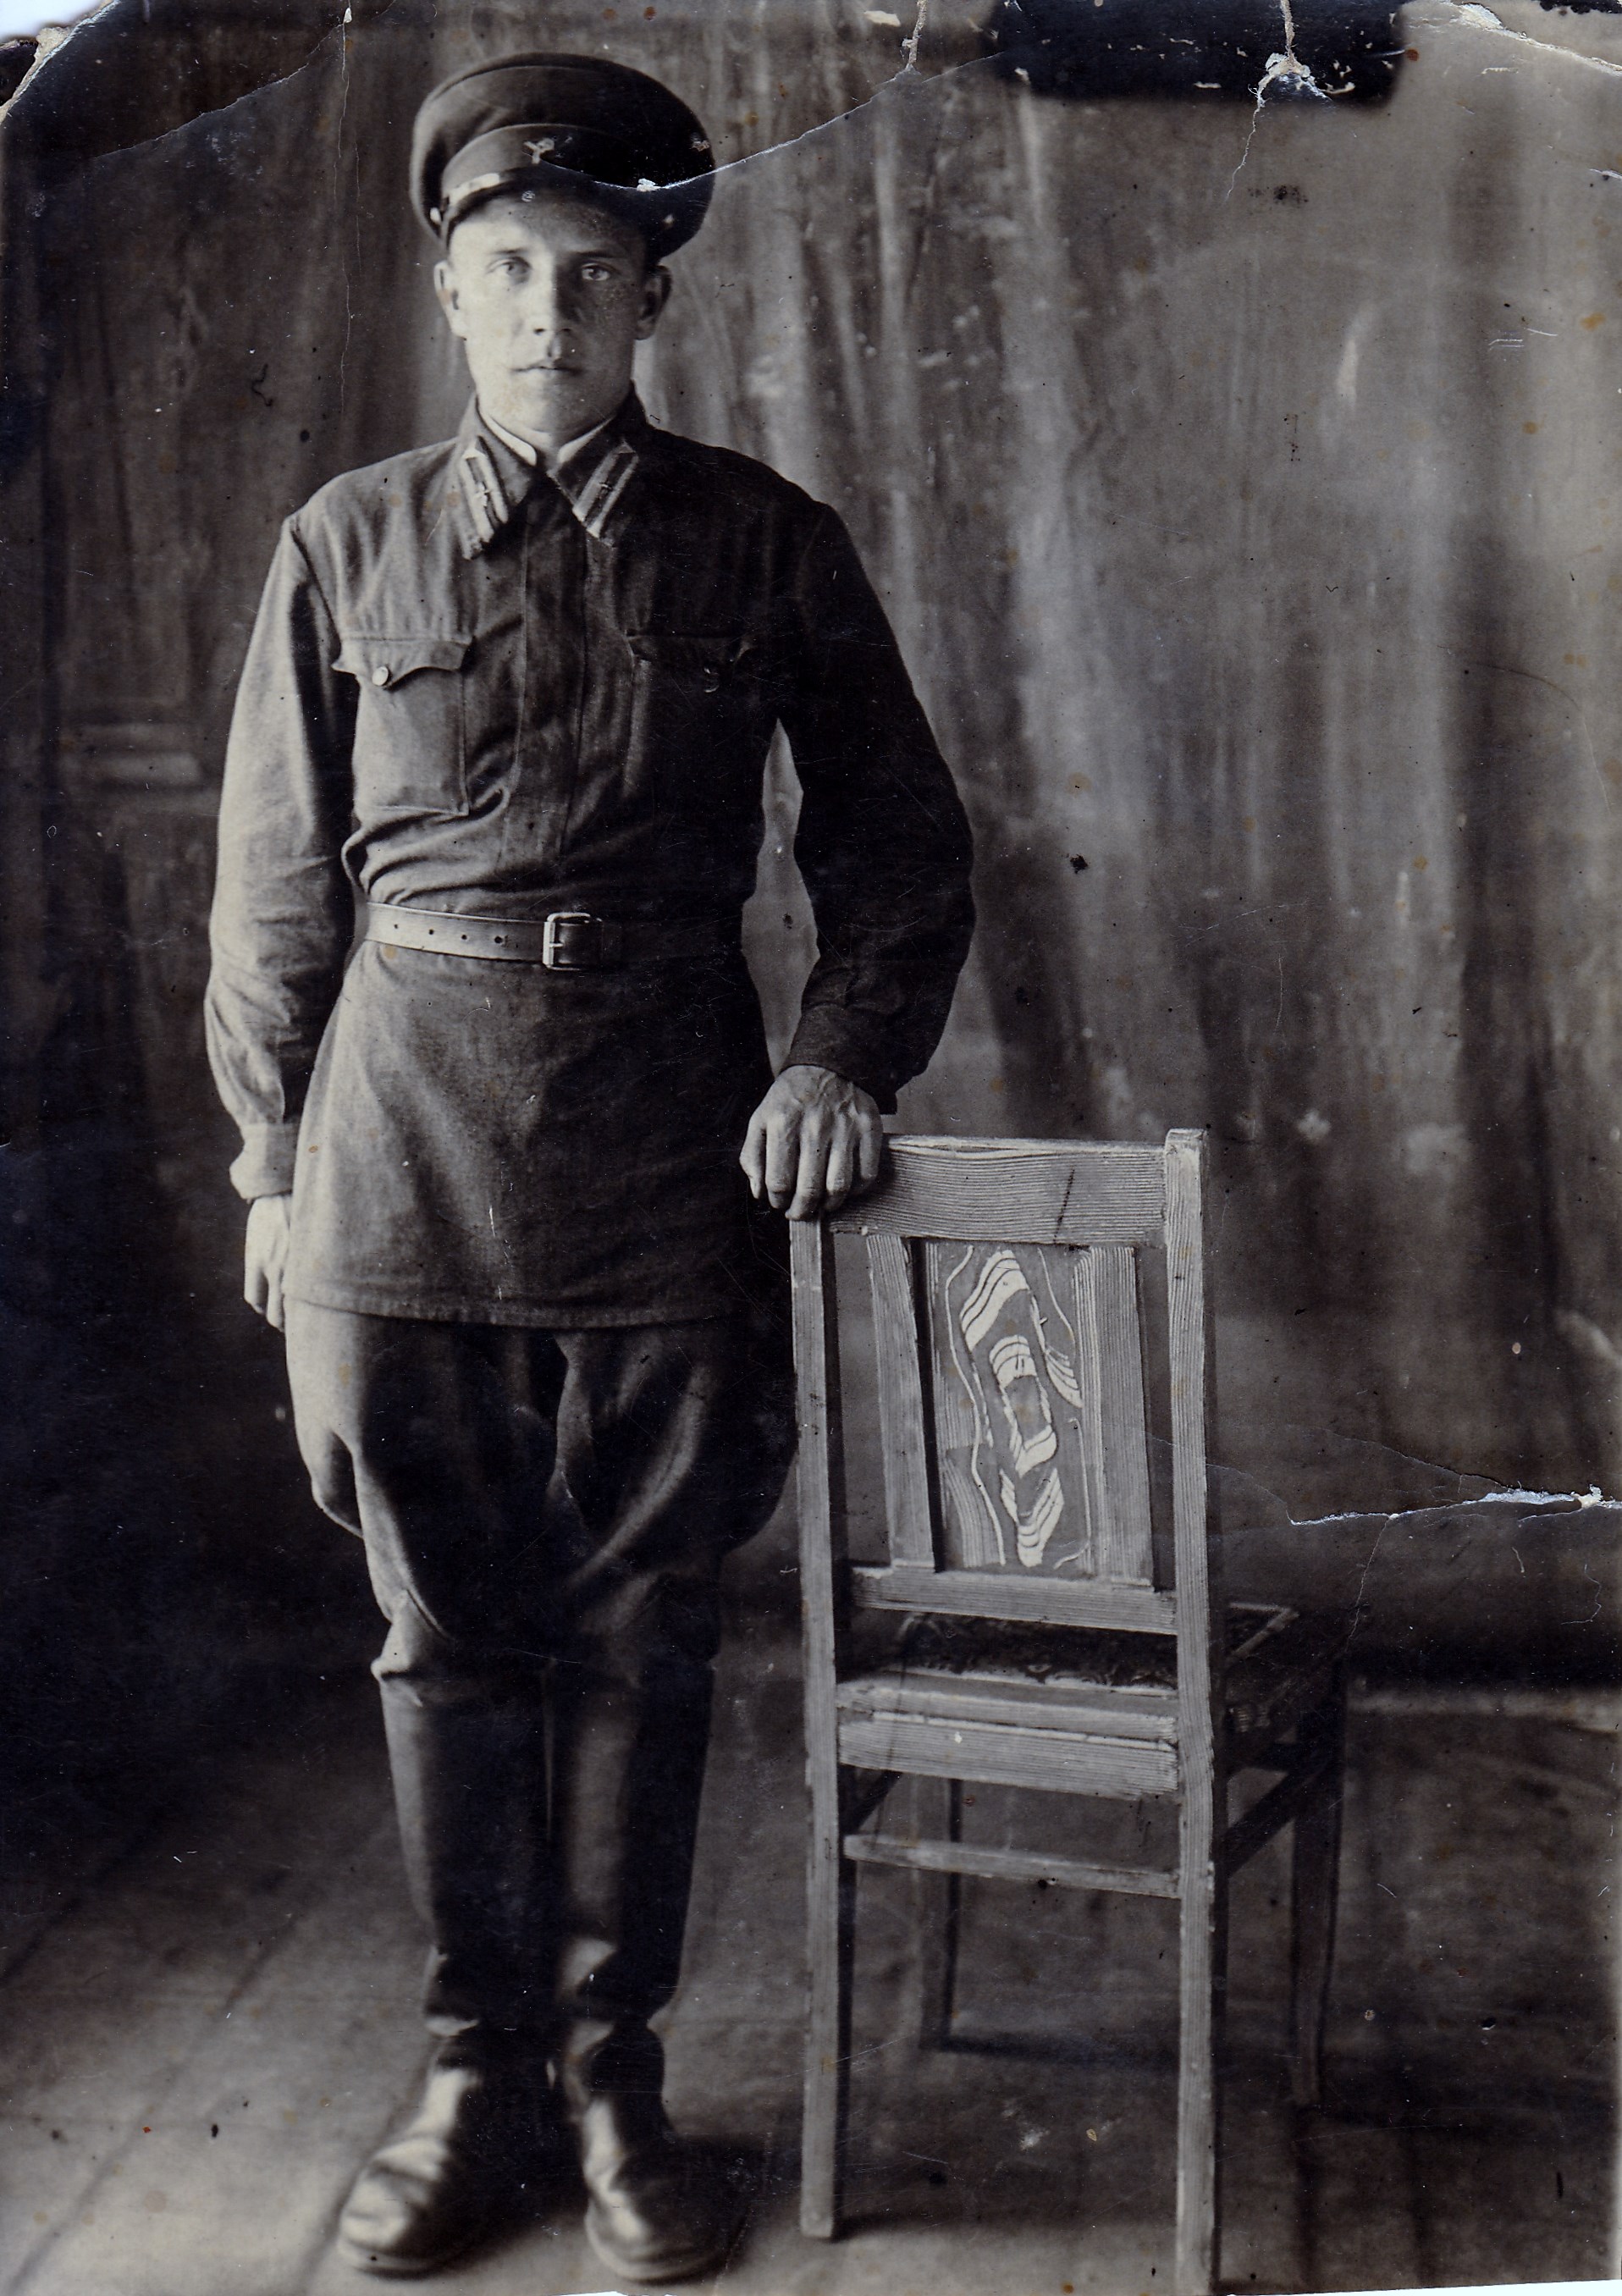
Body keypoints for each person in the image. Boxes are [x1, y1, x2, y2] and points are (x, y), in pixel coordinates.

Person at [205, 50, 974, 2285]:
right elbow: (272, 887)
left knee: (642, 1632)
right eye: (511, 267)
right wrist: (272, 1161)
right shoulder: (344, 541)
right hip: (398, 1143)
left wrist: (839, 1061)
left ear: (653, 298)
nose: (549, 308)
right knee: (442, 1632)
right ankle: (478, 2081)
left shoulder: (762, 540)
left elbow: (900, 843)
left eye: (593, 271)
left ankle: (617, 2084)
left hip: (665, 1137)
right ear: (453, 293)